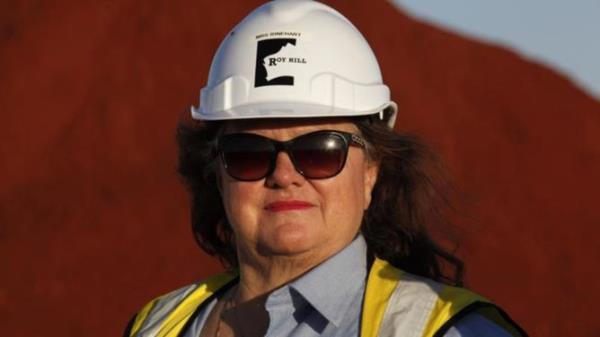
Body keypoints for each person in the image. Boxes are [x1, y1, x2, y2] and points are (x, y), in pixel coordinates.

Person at [124, 1, 527, 336]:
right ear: (217, 173)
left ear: (371, 170)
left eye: (320, 151)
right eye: (249, 153)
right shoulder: (158, 325)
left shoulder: (450, 331)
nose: (284, 175)